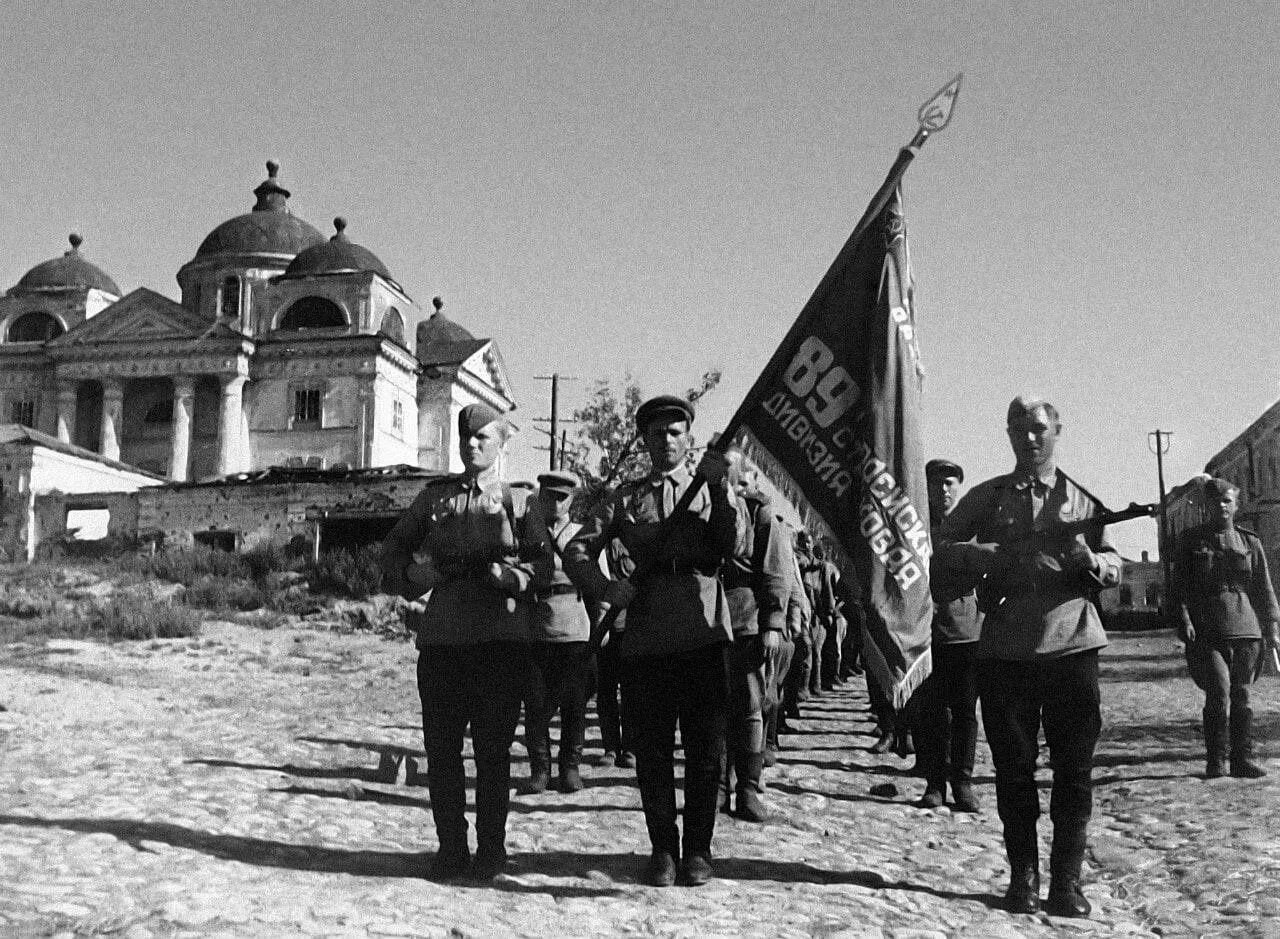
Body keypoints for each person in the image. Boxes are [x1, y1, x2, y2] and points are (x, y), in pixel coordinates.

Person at [938, 396, 1121, 918]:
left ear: (1058, 431)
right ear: (1009, 434)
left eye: (1039, 429)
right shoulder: (988, 498)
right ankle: (1023, 875)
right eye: (1020, 429)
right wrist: (991, 557)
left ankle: (1066, 881)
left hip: (1072, 644)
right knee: (1013, 768)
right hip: (1007, 649)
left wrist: (1097, 564)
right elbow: (940, 546)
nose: (1030, 438)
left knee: (1073, 769)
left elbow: (1116, 562)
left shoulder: (1081, 502)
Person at [565, 394, 737, 888]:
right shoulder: (626, 497)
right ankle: (663, 847)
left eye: (676, 432)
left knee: (706, 752)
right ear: (644, 440)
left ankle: (699, 850)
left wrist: (721, 486)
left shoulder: (710, 489)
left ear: (689, 438)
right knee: (654, 751)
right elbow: (578, 547)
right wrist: (603, 587)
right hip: (646, 638)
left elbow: (733, 544)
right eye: (657, 433)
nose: (667, 440)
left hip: (703, 632)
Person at [380, 403, 550, 881]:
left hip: (499, 643)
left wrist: (510, 576)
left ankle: (491, 851)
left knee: (493, 755)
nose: (471, 446)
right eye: (466, 439)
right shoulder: (434, 498)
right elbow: (392, 551)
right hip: (444, 643)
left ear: (500, 445)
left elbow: (545, 568)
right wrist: (420, 575)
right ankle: (451, 848)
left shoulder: (520, 501)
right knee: (442, 752)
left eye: (482, 439)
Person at [1171, 477, 1280, 779]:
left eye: (1227, 501)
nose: (1221, 506)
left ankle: (1242, 759)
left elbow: (1264, 588)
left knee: (1242, 695)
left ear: (1236, 505)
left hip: (1247, 628)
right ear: (1206, 506)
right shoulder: (1191, 542)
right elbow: (1178, 587)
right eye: (1215, 501)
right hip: (1208, 630)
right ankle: (1215, 760)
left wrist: (1271, 626)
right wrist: (1183, 619)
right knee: (1218, 692)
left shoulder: (1250, 543)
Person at [719, 451, 791, 821]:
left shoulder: (760, 514)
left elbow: (776, 572)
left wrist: (773, 623)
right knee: (711, 707)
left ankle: (748, 788)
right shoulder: (702, 506)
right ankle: (716, 788)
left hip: (746, 617)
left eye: (732, 467)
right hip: (706, 621)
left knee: (749, 707)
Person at [915, 458, 983, 812]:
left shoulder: (972, 527)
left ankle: (963, 781)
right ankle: (934, 783)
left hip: (966, 631)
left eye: (949, 483)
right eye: (936, 483)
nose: (943, 489)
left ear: (958, 488)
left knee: (965, 712)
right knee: (930, 711)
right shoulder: (915, 527)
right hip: (926, 634)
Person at [521, 470, 593, 795]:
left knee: (575, 705)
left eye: (562, 497)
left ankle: (570, 768)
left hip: (575, 626)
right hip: (537, 625)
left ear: (572, 500)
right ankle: (540, 769)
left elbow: (597, 584)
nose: (555, 502)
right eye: (548, 496)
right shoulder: (528, 535)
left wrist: (600, 632)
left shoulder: (584, 534)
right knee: (535, 705)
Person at [593, 537, 636, 770]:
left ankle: (630, 747)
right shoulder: (603, 539)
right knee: (606, 689)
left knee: (631, 689)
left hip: (633, 624)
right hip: (606, 624)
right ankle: (610, 747)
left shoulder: (639, 537)